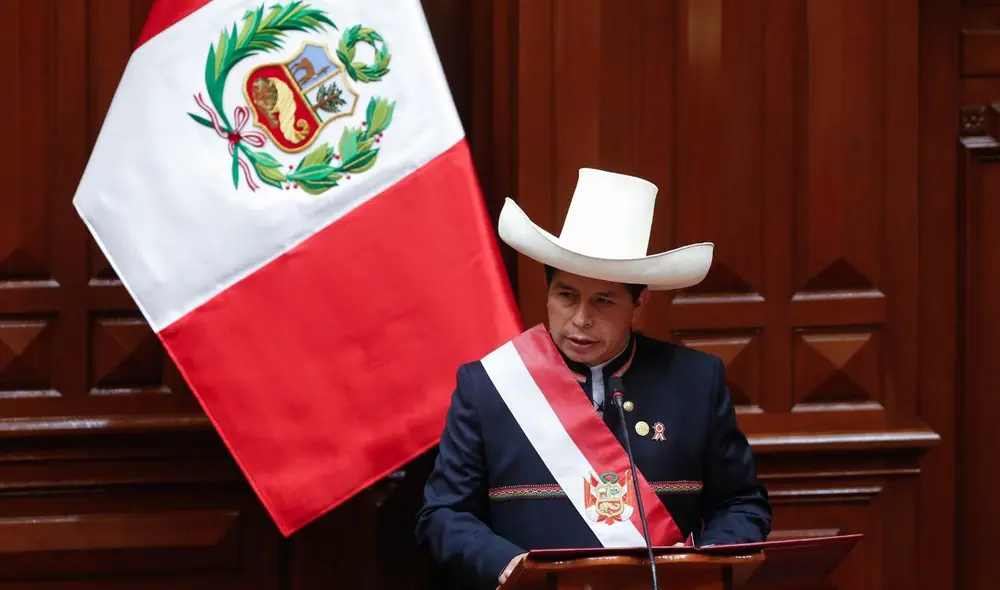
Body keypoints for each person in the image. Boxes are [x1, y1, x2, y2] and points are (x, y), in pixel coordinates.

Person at [414, 168, 771, 589]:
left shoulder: (696, 382)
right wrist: (511, 568)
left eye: (603, 301)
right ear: (547, 293)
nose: (580, 320)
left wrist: (701, 571)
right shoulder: (489, 386)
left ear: (639, 304)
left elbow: (740, 504)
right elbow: (443, 515)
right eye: (566, 296)